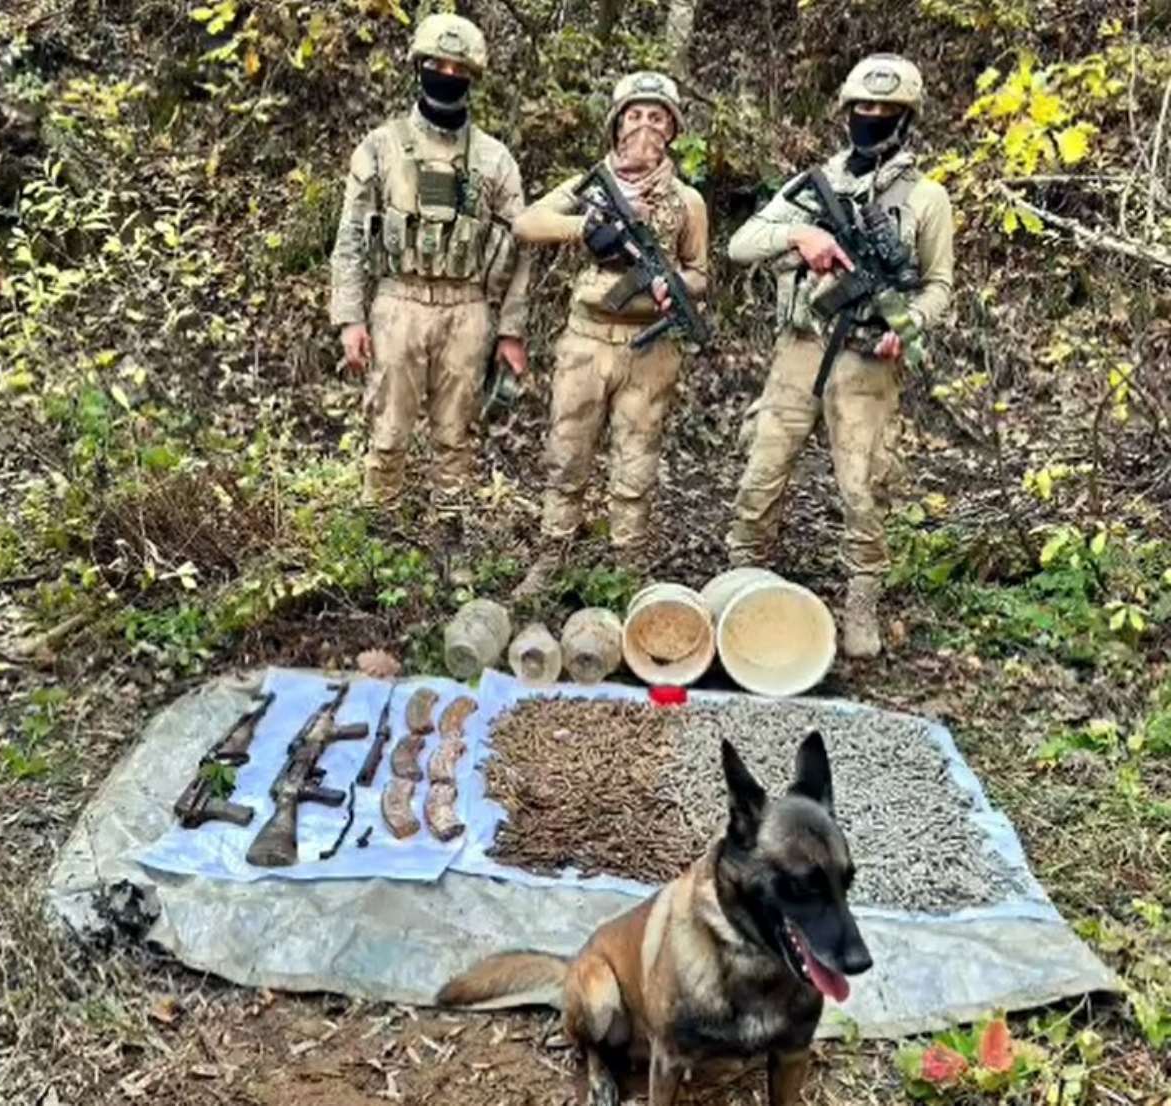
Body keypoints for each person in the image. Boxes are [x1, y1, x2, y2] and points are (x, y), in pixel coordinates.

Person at [725, 53, 954, 658]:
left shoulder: (927, 198)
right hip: (801, 349)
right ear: (846, 112)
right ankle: (744, 583)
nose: (870, 119)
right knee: (763, 466)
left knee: (863, 484)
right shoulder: (813, 186)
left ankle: (861, 597)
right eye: (861, 108)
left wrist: (909, 328)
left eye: (884, 110)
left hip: (867, 360)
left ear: (906, 118)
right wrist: (800, 237)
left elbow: (938, 285)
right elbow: (741, 244)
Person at [511, 71, 709, 597]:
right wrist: (585, 229)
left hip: (649, 347)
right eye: (635, 115)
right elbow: (527, 223)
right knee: (567, 451)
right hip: (587, 340)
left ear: (673, 130)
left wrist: (677, 286)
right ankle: (553, 553)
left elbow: (701, 271)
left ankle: (627, 566)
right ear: (617, 124)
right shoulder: (591, 186)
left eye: (658, 117)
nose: (645, 125)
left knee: (637, 460)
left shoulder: (686, 201)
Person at [328, 13, 530, 510]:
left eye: (459, 67)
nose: (447, 73)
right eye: (437, 63)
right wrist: (350, 318)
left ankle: (451, 542)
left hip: (468, 308)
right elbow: (352, 236)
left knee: (455, 437)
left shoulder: (494, 159)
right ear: (418, 67)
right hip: (399, 302)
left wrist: (511, 331)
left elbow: (521, 247)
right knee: (388, 431)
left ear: (473, 76)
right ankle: (377, 542)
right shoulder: (381, 147)